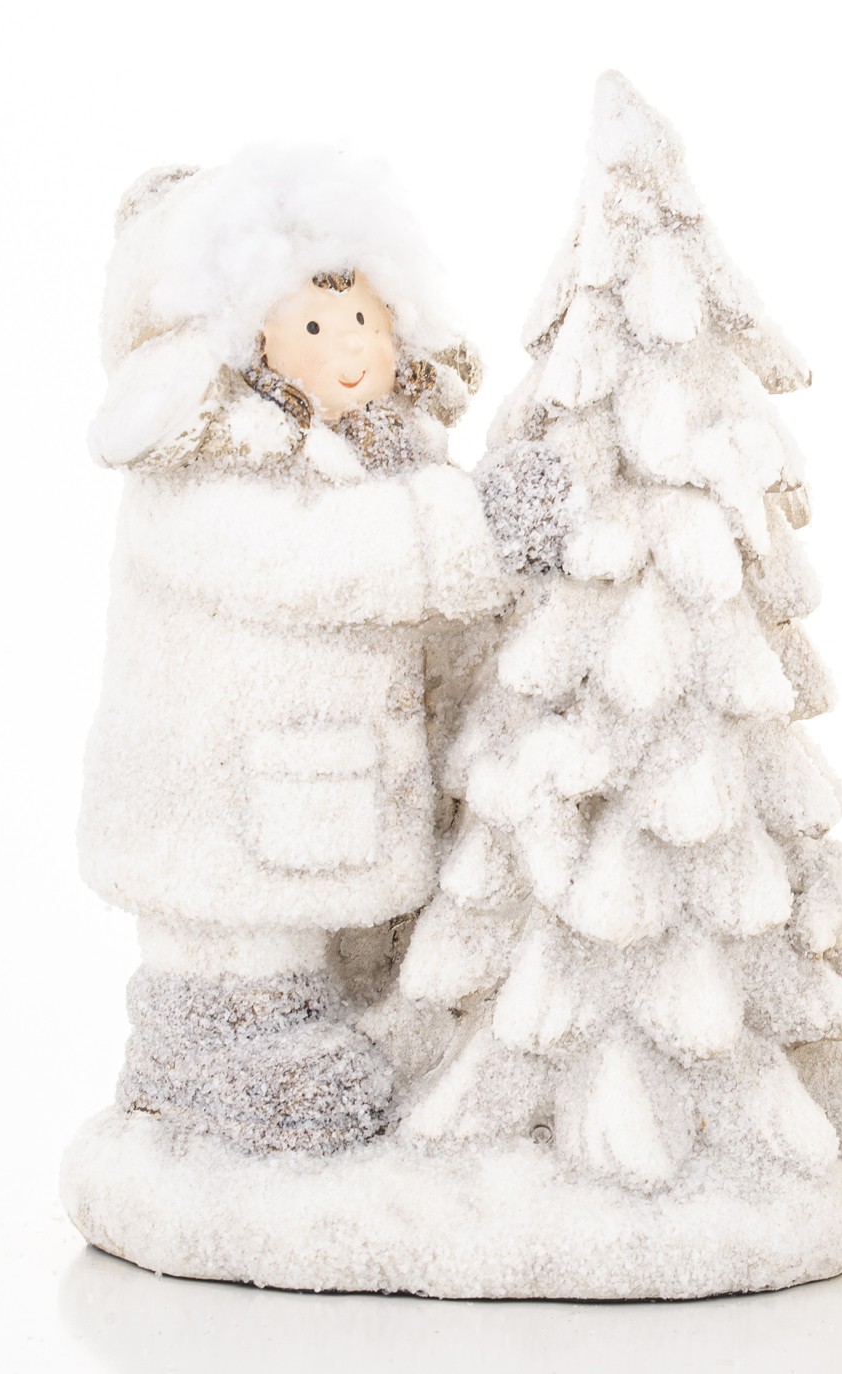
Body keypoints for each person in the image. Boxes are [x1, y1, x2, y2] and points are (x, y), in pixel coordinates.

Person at [79, 148, 514, 1153]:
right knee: (233, 935)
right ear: (249, 339)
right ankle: (206, 1056)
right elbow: (308, 560)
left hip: (318, 775)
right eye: (317, 327)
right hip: (215, 786)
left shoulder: (376, 447)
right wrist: (477, 530)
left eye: (366, 318)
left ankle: (327, 1025)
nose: (352, 348)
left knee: (324, 920)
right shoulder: (204, 468)